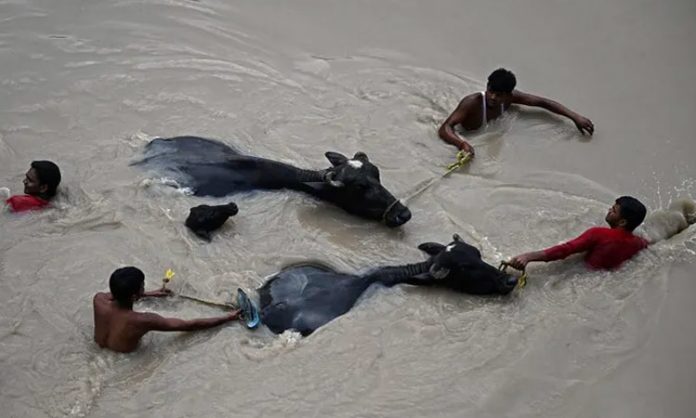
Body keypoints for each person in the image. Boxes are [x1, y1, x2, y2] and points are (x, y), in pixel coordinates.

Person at [438, 68, 594, 155]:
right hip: (463, 134)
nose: (492, 97)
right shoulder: (472, 102)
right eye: (491, 91)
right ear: (487, 86)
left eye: (498, 95)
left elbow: (542, 102)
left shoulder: (511, 98)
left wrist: (574, 116)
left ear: (508, 94)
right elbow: (445, 128)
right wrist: (461, 144)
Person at [93, 266, 240, 353]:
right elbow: (189, 325)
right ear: (134, 295)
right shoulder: (142, 320)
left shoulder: (99, 300)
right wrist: (228, 317)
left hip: (99, 348)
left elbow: (117, 295)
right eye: (142, 287)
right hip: (126, 357)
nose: (144, 288)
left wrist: (152, 293)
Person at [508, 196, 648, 271]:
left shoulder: (599, 234)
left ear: (622, 222)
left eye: (614, 211)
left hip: (579, 273)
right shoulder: (638, 243)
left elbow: (565, 250)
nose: (609, 210)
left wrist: (528, 257)